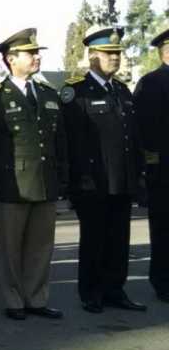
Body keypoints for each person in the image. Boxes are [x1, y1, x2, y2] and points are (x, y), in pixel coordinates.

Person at [60, 26, 146, 314]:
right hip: (92, 181)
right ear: (93, 56)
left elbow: (130, 137)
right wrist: (75, 179)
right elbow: (71, 140)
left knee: (119, 240)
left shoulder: (121, 91)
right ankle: (91, 292)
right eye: (108, 54)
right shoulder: (77, 91)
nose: (115, 58)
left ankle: (115, 289)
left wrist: (138, 173)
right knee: (95, 239)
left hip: (121, 179)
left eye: (118, 54)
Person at [0, 28, 66, 321]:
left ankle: (36, 298)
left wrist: (63, 178)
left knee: (41, 246)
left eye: (37, 52)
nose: (36, 57)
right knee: (10, 247)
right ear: (10, 59)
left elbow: (60, 141)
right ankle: (14, 300)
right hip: (11, 183)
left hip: (45, 181)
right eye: (31, 53)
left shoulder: (48, 94)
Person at [136, 27, 169, 303]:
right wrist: (151, 169)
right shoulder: (152, 83)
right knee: (164, 230)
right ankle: (164, 282)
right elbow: (146, 132)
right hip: (164, 172)